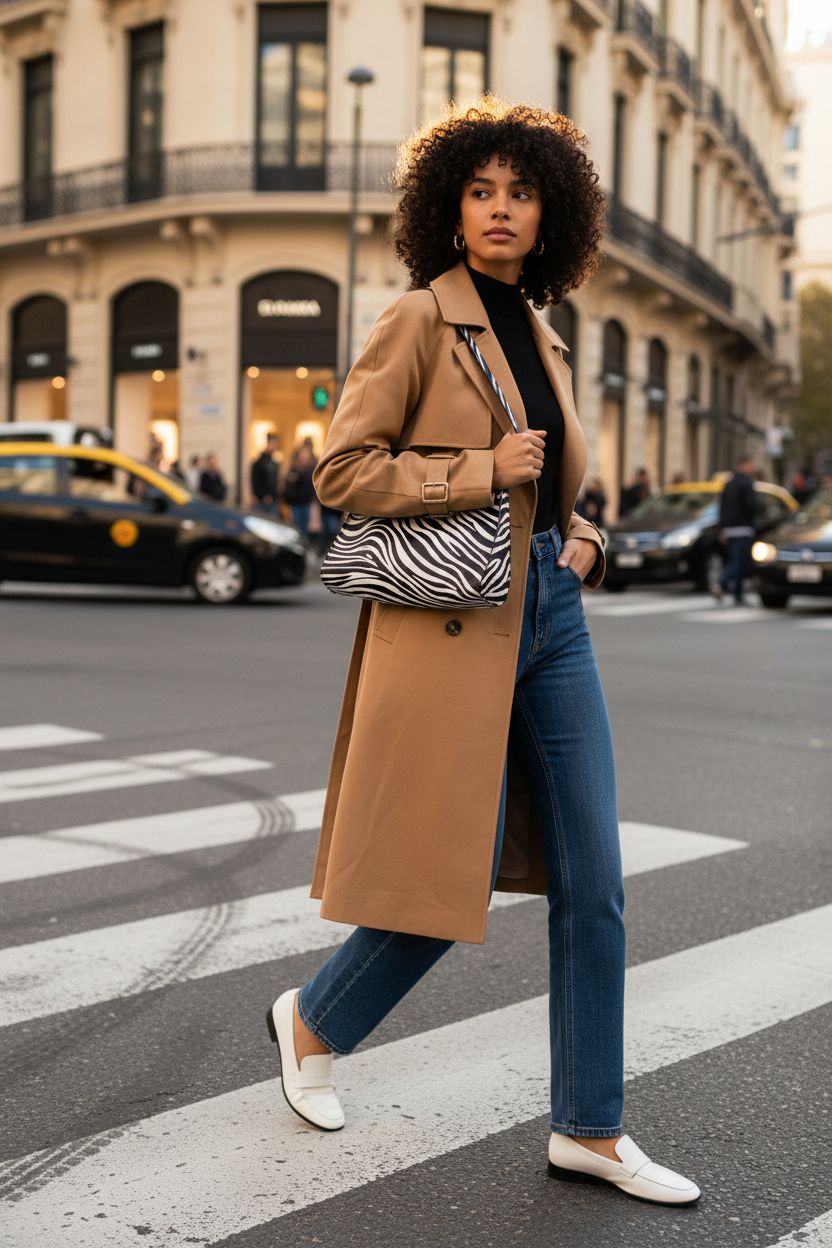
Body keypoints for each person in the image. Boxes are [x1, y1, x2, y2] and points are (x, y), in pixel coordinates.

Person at [264, 98, 700, 1206]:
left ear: (549, 212)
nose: (500, 210)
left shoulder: (545, 326)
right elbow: (344, 472)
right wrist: (474, 470)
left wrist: (587, 539)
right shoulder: (419, 318)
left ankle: (589, 1129)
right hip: (457, 621)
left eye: (521, 192)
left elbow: (557, 481)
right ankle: (316, 1017)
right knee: (440, 867)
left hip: (551, 615)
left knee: (594, 879)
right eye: (481, 190)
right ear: (448, 206)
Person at [711, 453, 760, 605]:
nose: (752, 467)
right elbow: (752, 505)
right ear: (744, 465)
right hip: (743, 528)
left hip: (730, 529)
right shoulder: (746, 483)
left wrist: (722, 529)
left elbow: (721, 508)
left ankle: (738, 595)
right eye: (751, 464)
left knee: (737, 561)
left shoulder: (728, 483)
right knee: (738, 562)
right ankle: (721, 583)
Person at [282, 444, 317, 539]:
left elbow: (313, 486)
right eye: (303, 454)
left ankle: (305, 546)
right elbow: (288, 485)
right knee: (297, 527)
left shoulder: (311, 470)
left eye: (306, 455)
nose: (305, 457)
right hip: (296, 503)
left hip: (306, 503)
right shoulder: (294, 469)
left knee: (305, 527)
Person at [250, 433, 281, 514]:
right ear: (268, 443)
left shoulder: (274, 463)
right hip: (262, 501)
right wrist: (264, 496)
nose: (274, 446)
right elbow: (255, 481)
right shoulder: (258, 462)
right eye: (273, 443)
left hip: (273, 500)